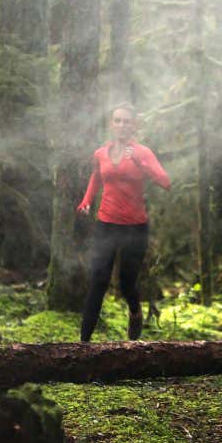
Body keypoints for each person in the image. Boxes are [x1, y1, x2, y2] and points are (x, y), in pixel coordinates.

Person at [76, 103, 171, 342]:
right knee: (98, 280)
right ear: (111, 124)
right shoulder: (100, 153)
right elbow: (96, 177)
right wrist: (86, 201)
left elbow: (165, 182)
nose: (121, 125)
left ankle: (135, 313)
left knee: (127, 283)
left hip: (135, 227)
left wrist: (141, 163)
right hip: (106, 224)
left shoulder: (143, 152)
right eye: (117, 120)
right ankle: (82, 344)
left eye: (126, 121)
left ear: (134, 125)